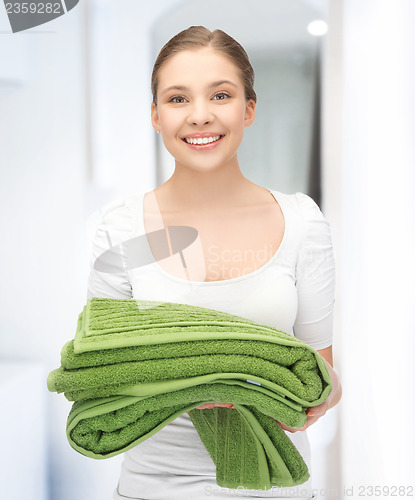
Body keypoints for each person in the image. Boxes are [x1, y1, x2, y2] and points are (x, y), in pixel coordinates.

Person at [87, 25, 342, 500]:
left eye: (220, 95)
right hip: (154, 485)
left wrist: (281, 393)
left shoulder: (302, 222)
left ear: (248, 110)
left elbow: (322, 378)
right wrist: (193, 385)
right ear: (156, 116)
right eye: (178, 99)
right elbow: (100, 369)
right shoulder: (122, 227)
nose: (199, 116)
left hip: (273, 485)